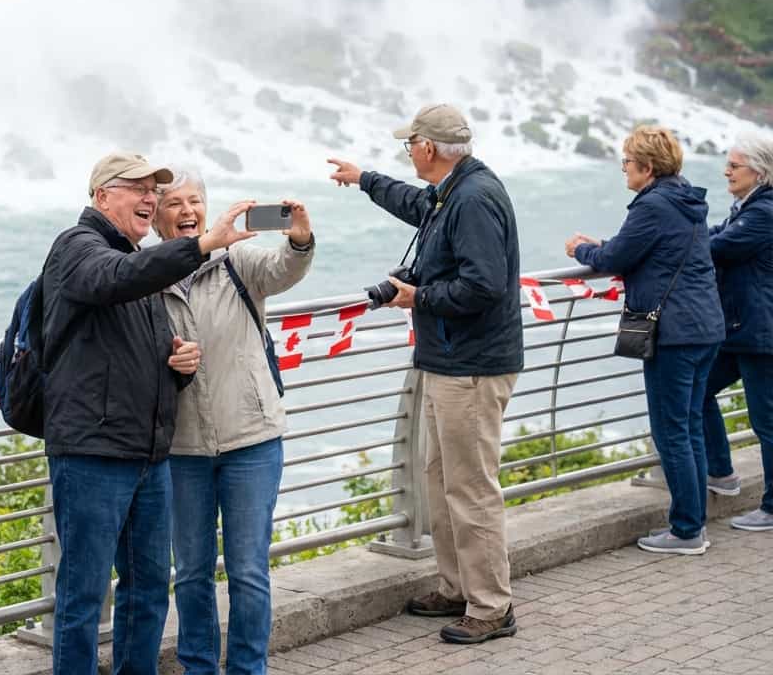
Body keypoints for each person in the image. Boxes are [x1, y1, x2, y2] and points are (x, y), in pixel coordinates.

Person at [41, 152, 255, 675]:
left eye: (152, 189)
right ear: (100, 197)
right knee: (84, 598)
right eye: (136, 188)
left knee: (148, 591)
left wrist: (179, 365)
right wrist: (202, 245)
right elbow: (111, 278)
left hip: (147, 456)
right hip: (92, 454)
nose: (149, 198)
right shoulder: (78, 248)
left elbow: (139, 351)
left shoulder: (137, 261)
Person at [328, 103, 522, 645]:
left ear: (429, 148)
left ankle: (491, 607)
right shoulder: (451, 191)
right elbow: (417, 204)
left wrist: (419, 296)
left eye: (408, 144)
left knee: (471, 488)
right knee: (441, 481)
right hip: (449, 360)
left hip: (473, 367)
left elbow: (484, 285)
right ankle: (458, 587)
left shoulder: (475, 198)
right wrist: (365, 178)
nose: (408, 152)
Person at [152, 169, 314, 675]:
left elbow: (283, 269)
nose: (186, 211)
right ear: (154, 216)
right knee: (192, 572)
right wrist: (167, 360)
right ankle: (199, 667)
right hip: (182, 449)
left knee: (247, 571)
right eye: (173, 203)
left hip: (251, 439)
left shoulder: (237, 261)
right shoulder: (145, 275)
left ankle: (248, 669)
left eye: (194, 200)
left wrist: (300, 237)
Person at [565, 125, 725, 555]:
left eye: (626, 164)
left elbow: (615, 257)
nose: (623, 171)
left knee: (671, 431)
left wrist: (581, 250)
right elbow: (648, 248)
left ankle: (687, 530)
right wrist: (606, 244)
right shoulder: (686, 198)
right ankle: (693, 524)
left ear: (647, 168)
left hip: (674, 332)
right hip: (705, 325)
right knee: (688, 426)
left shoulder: (652, 206)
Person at [701, 135, 773, 532]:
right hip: (738, 330)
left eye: (734, 166)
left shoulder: (763, 213)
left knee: (767, 421)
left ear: (758, 174)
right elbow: (712, 236)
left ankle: (772, 507)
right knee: (698, 388)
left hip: (760, 332)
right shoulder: (744, 208)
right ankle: (721, 472)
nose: (726, 171)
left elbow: (716, 247)